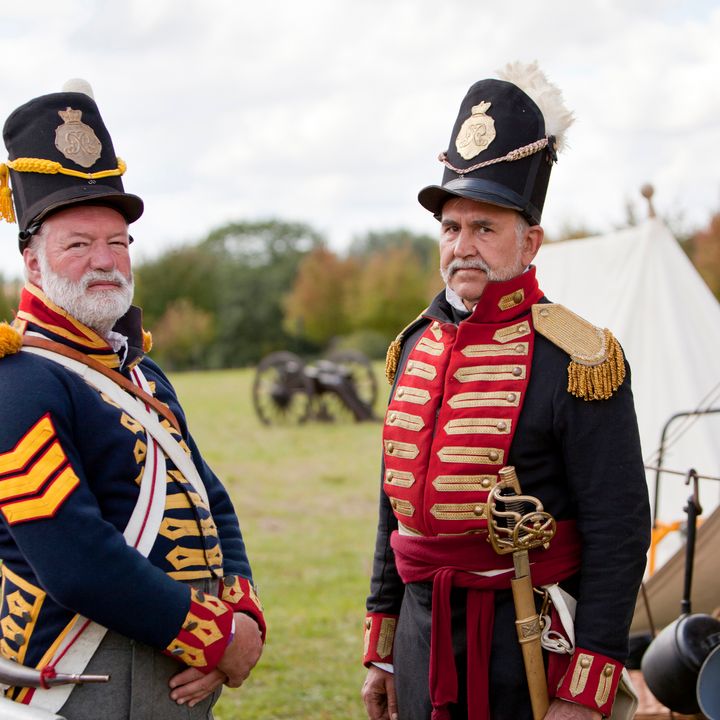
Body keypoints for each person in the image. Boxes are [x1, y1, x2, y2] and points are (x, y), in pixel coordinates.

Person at [361, 62, 651, 720]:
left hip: (522, 641)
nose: (464, 246)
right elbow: (394, 513)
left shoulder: (580, 358)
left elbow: (619, 530)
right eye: (452, 227)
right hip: (418, 634)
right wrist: (380, 650)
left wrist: (588, 688)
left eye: (485, 228)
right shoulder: (415, 346)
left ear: (530, 240)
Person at [0, 81, 265, 719]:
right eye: (78, 244)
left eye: (118, 242)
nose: (105, 261)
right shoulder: (18, 382)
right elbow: (75, 558)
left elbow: (209, 499)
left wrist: (241, 613)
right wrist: (211, 636)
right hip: (79, 680)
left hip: (163, 670)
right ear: (33, 265)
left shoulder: (143, 373)